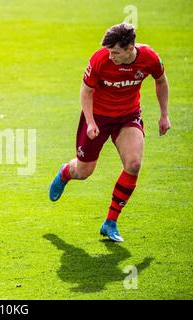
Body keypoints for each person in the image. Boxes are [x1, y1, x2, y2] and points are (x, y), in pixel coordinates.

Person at [49, 23, 170, 242]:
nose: (111, 56)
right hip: (98, 117)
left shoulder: (149, 58)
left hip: (128, 115)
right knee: (84, 172)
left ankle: (110, 222)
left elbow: (160, 81)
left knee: (133, 165)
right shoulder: (100, 59)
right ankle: (66, 172)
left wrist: (164, 114)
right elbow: (86, 91)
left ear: (129, 48)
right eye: (109, 51)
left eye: (115, 52)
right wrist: (91, 121)